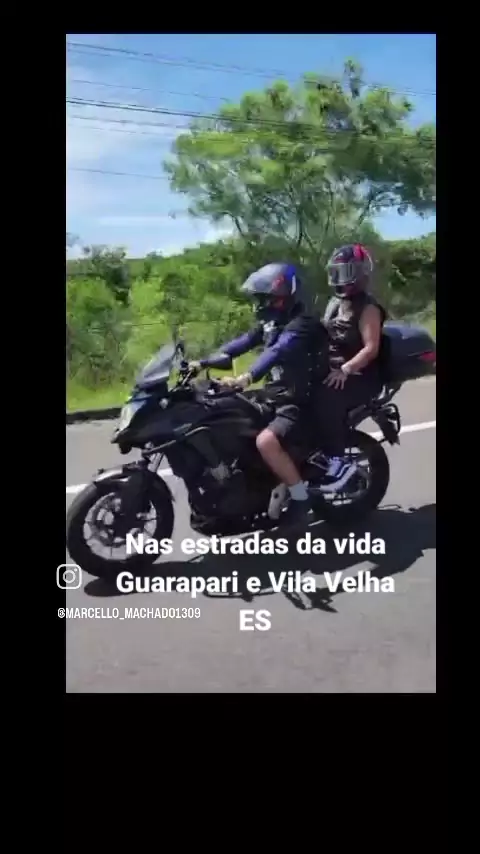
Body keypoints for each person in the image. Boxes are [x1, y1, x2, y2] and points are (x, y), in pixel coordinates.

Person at [188, 262, 327, 524]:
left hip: (298, 400)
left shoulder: (303, 324)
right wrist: (202, 363)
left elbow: (278, 351)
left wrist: (246, 377)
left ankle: (300, 497)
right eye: (259, 299)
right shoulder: (271, 323)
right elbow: (240, 345)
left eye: (265, 299)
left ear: (284, 297)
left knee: (266, 442)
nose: (259, 305)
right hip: (274, 395)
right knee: (226, 415)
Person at [313, 243, 387, 491]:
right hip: (332, 369)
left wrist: (345, 369)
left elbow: (371, 348)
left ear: (361, 272)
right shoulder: (334, 303)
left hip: (359, 375)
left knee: (324, 397)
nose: (340, 279)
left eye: (346, 272)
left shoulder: (368, 307)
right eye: (337, 272)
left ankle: (336, 461)